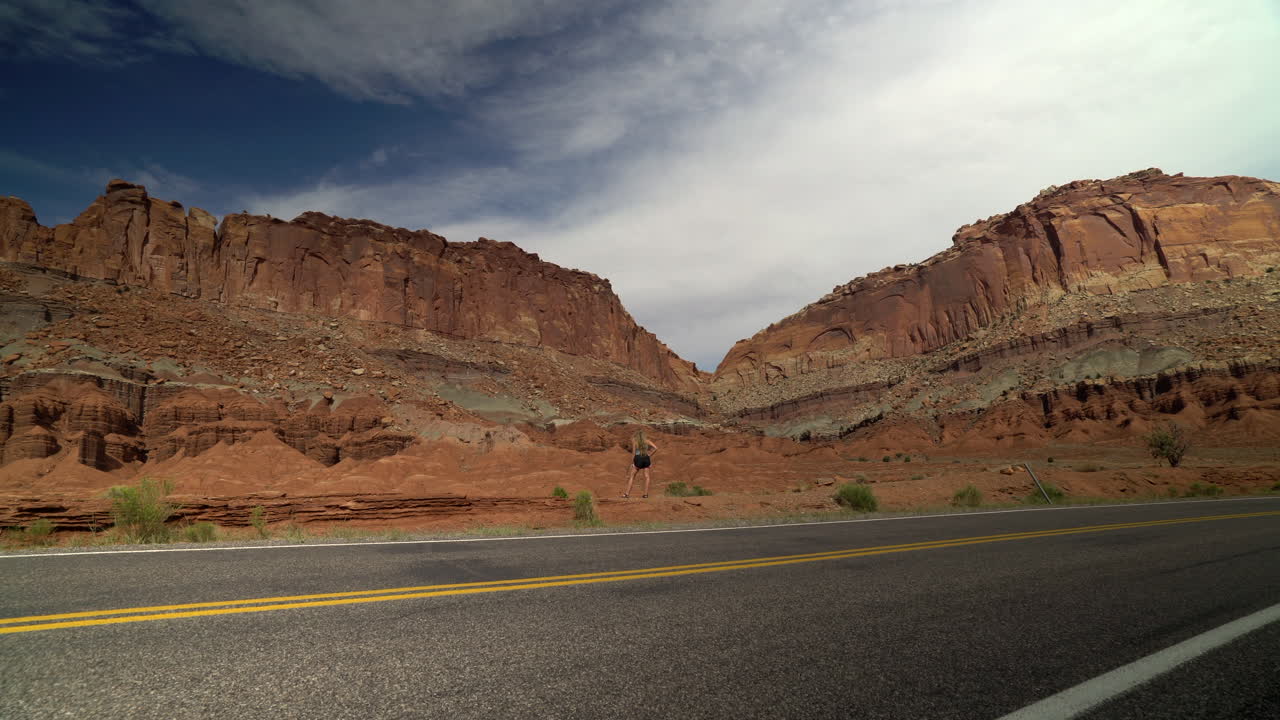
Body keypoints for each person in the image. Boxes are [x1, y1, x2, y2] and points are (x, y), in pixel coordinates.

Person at [623, 429, 658, 499]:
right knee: (647, 477)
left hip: (638, 458)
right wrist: (649, 455)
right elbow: (656, 448)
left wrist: (633, 463)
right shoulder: (647, 441)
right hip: (646, 458)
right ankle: (645, 495)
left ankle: (626, 494)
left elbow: (633, 453)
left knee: (632, 476)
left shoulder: (635, 442)